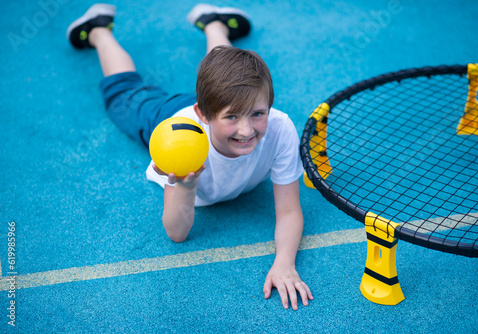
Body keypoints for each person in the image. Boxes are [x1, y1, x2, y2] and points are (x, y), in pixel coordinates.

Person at [67, 3, 313, 310]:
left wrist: (285, 263)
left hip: (217, 105)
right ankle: (100, 30)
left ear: (270, 107)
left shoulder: (279, 128)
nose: (247, 130)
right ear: (204, 114)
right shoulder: (179, 144)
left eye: (258, 113)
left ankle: (214, 24)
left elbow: (289, 211)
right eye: (233, 118)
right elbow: (177, 233)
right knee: (124, 95)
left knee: (227, 77)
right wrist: (185, 186)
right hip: (171, 120)